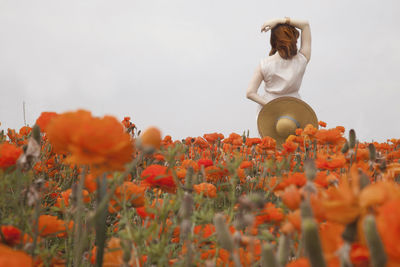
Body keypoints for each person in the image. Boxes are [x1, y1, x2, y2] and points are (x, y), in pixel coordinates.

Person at [246, 17, 311, 117]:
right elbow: (305, 25)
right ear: (294, 38)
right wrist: (280, 20)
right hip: (294, 109)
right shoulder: (302, 59)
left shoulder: (264, 64)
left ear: (273, 41)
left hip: (270, 112)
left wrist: (271, 105)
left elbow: (250, 93)